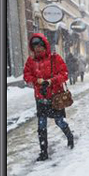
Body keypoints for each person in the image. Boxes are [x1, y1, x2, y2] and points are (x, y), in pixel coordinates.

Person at [23, 33, 74, 162]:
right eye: (35, 46)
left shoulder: (54, 58)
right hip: (40, 98)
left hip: (55, 98)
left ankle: (70, 137)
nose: (38, 49)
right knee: (41, 126)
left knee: (59, 122)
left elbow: (64, 74)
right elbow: (26, 76)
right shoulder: (31, 61)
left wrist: (51, 81)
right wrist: (37, 80)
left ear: (45, 45)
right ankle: (44, 152)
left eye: (40, 46)